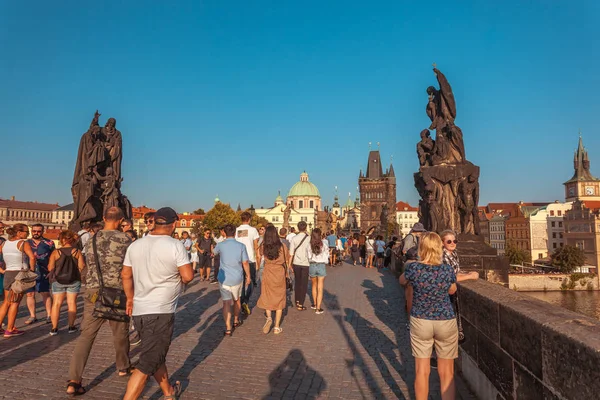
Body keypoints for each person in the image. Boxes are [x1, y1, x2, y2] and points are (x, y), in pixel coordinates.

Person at [122, 207, 193, 400]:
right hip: (160, 311)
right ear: (175, 224)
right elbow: (187, 276)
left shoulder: (135, 245)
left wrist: (130, 298)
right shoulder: (175, 245)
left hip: (139, 310)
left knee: (154, 354)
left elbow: (126, 275)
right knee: (146, 363)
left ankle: (168, 392)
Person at [66, 207, 133, 396]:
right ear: (120, 221)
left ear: (104, 218)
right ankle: (123, 367)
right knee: (120, 333)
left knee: (87, 336)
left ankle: (74, 380)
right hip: (117, 292)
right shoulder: (125, 239)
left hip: (93, 291)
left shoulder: (91, 239)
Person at [399, 232, 458, 400]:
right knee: (447, 372)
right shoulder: (446, 269)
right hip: (445, 320)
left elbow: (401, 280)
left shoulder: (414, 268)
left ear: (421, 248)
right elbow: (452, 290)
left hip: (421, 320)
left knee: (421, 371)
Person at [214, 224, 251, 337]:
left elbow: (213, 253)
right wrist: (248, 276)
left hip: (224, 278)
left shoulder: (220, 245)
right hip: (237, 277)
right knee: (237, 300)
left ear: (224, 232)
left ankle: (228, 327)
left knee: (226, 303)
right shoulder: (241, 246)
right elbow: (245, 262)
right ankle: (235, 320)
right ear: (235, 232)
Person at [0, 224, 36, 337]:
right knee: (15, 302)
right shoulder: (23, 243)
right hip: (19, 274)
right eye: (26, 231)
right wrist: (32, 270)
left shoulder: (4, 243)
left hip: (8, 273)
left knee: (6, 302)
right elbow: (32, 257)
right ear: (19, 233)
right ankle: (10, 329)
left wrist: (1, 270)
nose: (28, 234)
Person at [47, 230, 85, 335]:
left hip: (58, 280)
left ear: (62, 239)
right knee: (71, 303)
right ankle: (71, 326)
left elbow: (50, 267)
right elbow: (82, 267)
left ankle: (54, 328)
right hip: (73, 280)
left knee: (56, 304)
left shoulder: (56, 252)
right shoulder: (77, 252)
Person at [257, 226, 291, 334]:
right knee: (280, 298)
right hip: (279, 272)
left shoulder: (264, 246)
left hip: (268, 271)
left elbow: (259, 254)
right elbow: (287, 260)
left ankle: (269, 318)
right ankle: (276, 327)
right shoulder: (282, 246)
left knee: (267, 295)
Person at [26, 224, 55, 324]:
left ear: (43, 231)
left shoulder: (49, 243)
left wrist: (52, 270)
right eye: (34, 231)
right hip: (29, 272)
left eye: (38, 231)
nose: (36, 233)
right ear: (31, 231)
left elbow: (54, 257)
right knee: (30, 294)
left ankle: (49, 315)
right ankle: (32, 316)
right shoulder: (26, 243)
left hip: (44, 272)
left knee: (45, 293)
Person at [236, 212, 260, 315]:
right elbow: (256, 245)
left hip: (239, 259)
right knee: (251, 281)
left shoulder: (237, 230)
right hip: (250, 259)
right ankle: (246, 300)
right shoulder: (253, 230)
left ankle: (241, 302)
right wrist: (258, 257)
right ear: (249, 219)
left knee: (241, 281)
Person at [289, 221, 311, 311]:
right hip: (306, 263)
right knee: (304, 284)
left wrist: (289, 265)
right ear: (306, 228)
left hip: (296, 263)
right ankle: (301, 303)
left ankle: (297, 300)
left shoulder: (294, 238)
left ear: (298, 228)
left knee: (297, 282)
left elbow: (291, 253)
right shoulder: (309, 238)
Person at [307, 228, 329, 314]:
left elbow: (308, 257)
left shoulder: (309, 245)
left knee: (313, 285)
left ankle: (315, 304)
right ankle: (318, 308)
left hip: (312, 265)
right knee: (320, 287)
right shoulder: (324, 244)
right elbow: (327, 256)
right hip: (321, 265)